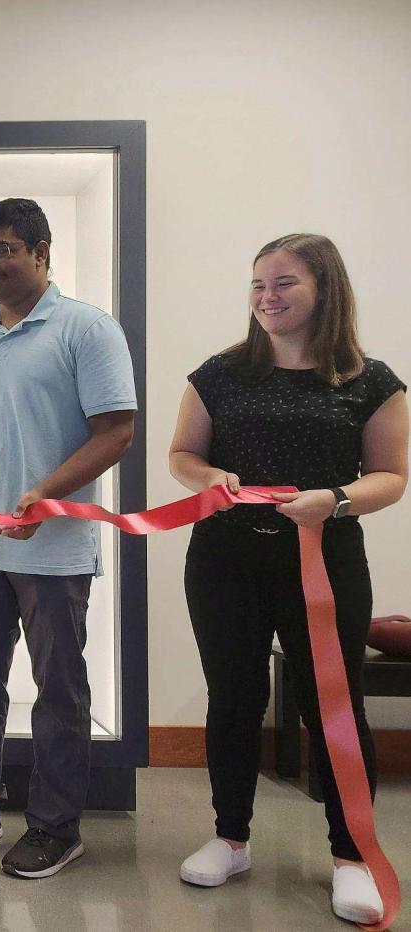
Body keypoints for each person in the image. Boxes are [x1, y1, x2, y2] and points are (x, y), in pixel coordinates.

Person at [168, 234, 407, 925]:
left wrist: (333, 499)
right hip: (224, 561)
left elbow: (390, 477)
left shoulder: (370, 381)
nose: (266, 298)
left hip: (324, 560)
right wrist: (209, 478)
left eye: (284, 284)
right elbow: (184, 455)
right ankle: (230, 838)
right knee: (233, 697)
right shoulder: (219, 374)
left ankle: (351, 856)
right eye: (257, 285)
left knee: (332, 704)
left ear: (324, 289)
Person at [0, 198, 136, 877]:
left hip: (53, 549)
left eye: (4, 250)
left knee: (59, 690)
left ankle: (55, 825)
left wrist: (49, 491)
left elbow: (116, 430)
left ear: (43, 252)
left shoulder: (87, 330)